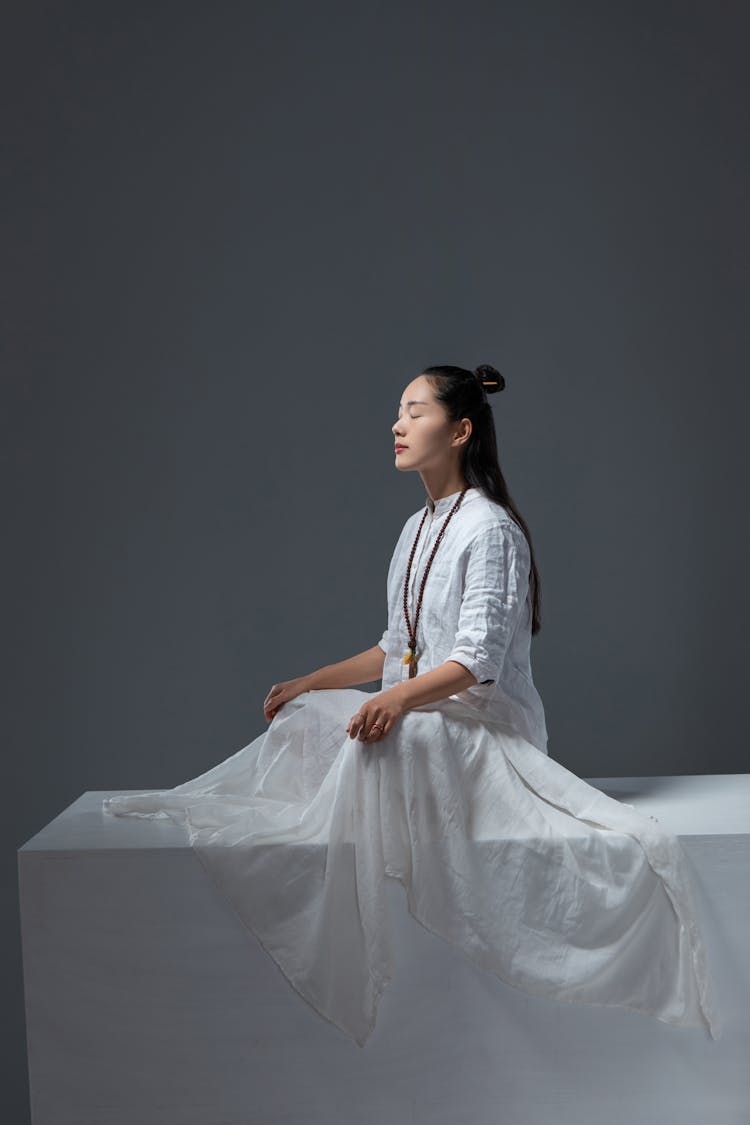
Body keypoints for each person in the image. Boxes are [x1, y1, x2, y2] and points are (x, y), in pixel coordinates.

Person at [103, 364, 722, 1047]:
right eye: (398, 411)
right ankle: (320, 830)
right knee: (317, 719)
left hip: (485, 734)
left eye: (415, 411)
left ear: (460, 430)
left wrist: (396, 699)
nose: (397, 425)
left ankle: (335, 893)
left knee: (381, 735)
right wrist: (311, 681)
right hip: (428, 715)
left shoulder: (490, 530)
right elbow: (395, 648)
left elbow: (475, 663)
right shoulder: (415, 527)